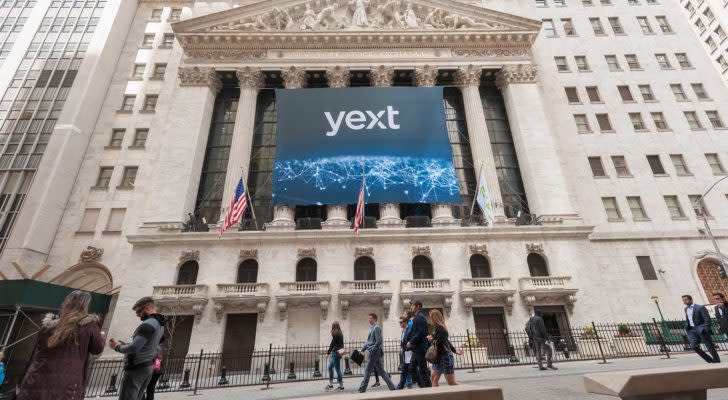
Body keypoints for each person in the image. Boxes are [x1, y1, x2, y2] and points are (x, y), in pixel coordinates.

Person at [17, 290, 105, 400]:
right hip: (66, 388)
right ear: (85, 306)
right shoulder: (90, 326)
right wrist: (102, 336)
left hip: (35, 381)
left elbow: (35, 353)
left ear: (65, 304)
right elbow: (97, 349)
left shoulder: (47, 327)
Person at [109, 296, 166, 400]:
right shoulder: (159, 324)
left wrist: (117, 347)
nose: (137, 315)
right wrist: (126, 345)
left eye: (139, 311)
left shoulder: (148, 324)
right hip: (146, 367)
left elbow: (134, 348)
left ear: (147, 308)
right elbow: (146, 345)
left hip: (137, 368)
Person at [357, 313, 395, 393]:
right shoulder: (372, 328)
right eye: (369, 318)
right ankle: (392, 387)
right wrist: (363, 349)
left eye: (370, 318)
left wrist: (372, 349)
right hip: (374, 352)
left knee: (367, 370)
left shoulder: (376, 328)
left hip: (374, 352)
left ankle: (362, 389)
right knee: (381, 371)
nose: (369, 319)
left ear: (375, 319)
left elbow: (378, 341)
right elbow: (369, 342)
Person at [427, 309, 463, 386]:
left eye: (430, 317)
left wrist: (431, 339)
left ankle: (467, 392)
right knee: (433, 378)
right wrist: (455, 350)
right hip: (438, 357)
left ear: (435, 317)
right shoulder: (437, 328)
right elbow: (446, 341)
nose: (430, 319)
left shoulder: (440, 328)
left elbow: (440, 342)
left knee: (451, 382)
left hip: (444, 357)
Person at [683, 294, 720, 363]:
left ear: (691, 300)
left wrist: (706, 328)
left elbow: (707, 319)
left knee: (709, 345)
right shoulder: (686, 309)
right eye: (683, 300)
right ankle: (709, 359)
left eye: (686, 299)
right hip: (691, 330)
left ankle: (716, 360)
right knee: (694, 346)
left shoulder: (700, 307)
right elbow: (688, 319)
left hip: (701, 328)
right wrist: (686, 327)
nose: (684, 301)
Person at [405, 300, 432, 387]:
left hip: (420, 348)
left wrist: (411, 342)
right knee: (412, 368)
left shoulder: (420, 317)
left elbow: (420, 333)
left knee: (422, 370)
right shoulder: (416, 317)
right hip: (416, 348)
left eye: (412, 305)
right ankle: (424, 387)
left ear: (418, 306)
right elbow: (414, 332)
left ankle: (428, 390)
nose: (411, 307)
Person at [144, 336, 166, 400]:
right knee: (151, 386)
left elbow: (153, 356)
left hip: (154, 369)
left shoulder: (156, 347)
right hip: (158, 369)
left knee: (148, 386)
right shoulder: (163, 348)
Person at [325, 321, 345, 391]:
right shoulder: (340, 332)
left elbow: (332, 344)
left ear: (333, 326)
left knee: (337, 369)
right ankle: (331, 384)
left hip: (336, 352)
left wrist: (328, 353)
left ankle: (341, 386)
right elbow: (338, 344)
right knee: (330, 367)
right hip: (338, 352)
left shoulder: (335, 333)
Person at [396, 312, 414, 389]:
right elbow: (403, 341)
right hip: (405, 353)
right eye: (399, 322)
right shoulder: (403, 330)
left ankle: (409, 384)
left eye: (401, 322)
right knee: (404, 370)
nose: (400, 324)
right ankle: (401, 385)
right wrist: (401, 348)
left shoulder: (409, 329)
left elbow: (412, 340)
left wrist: (409, 346)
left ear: (405, 322)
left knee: (411, 370)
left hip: (410, 353)